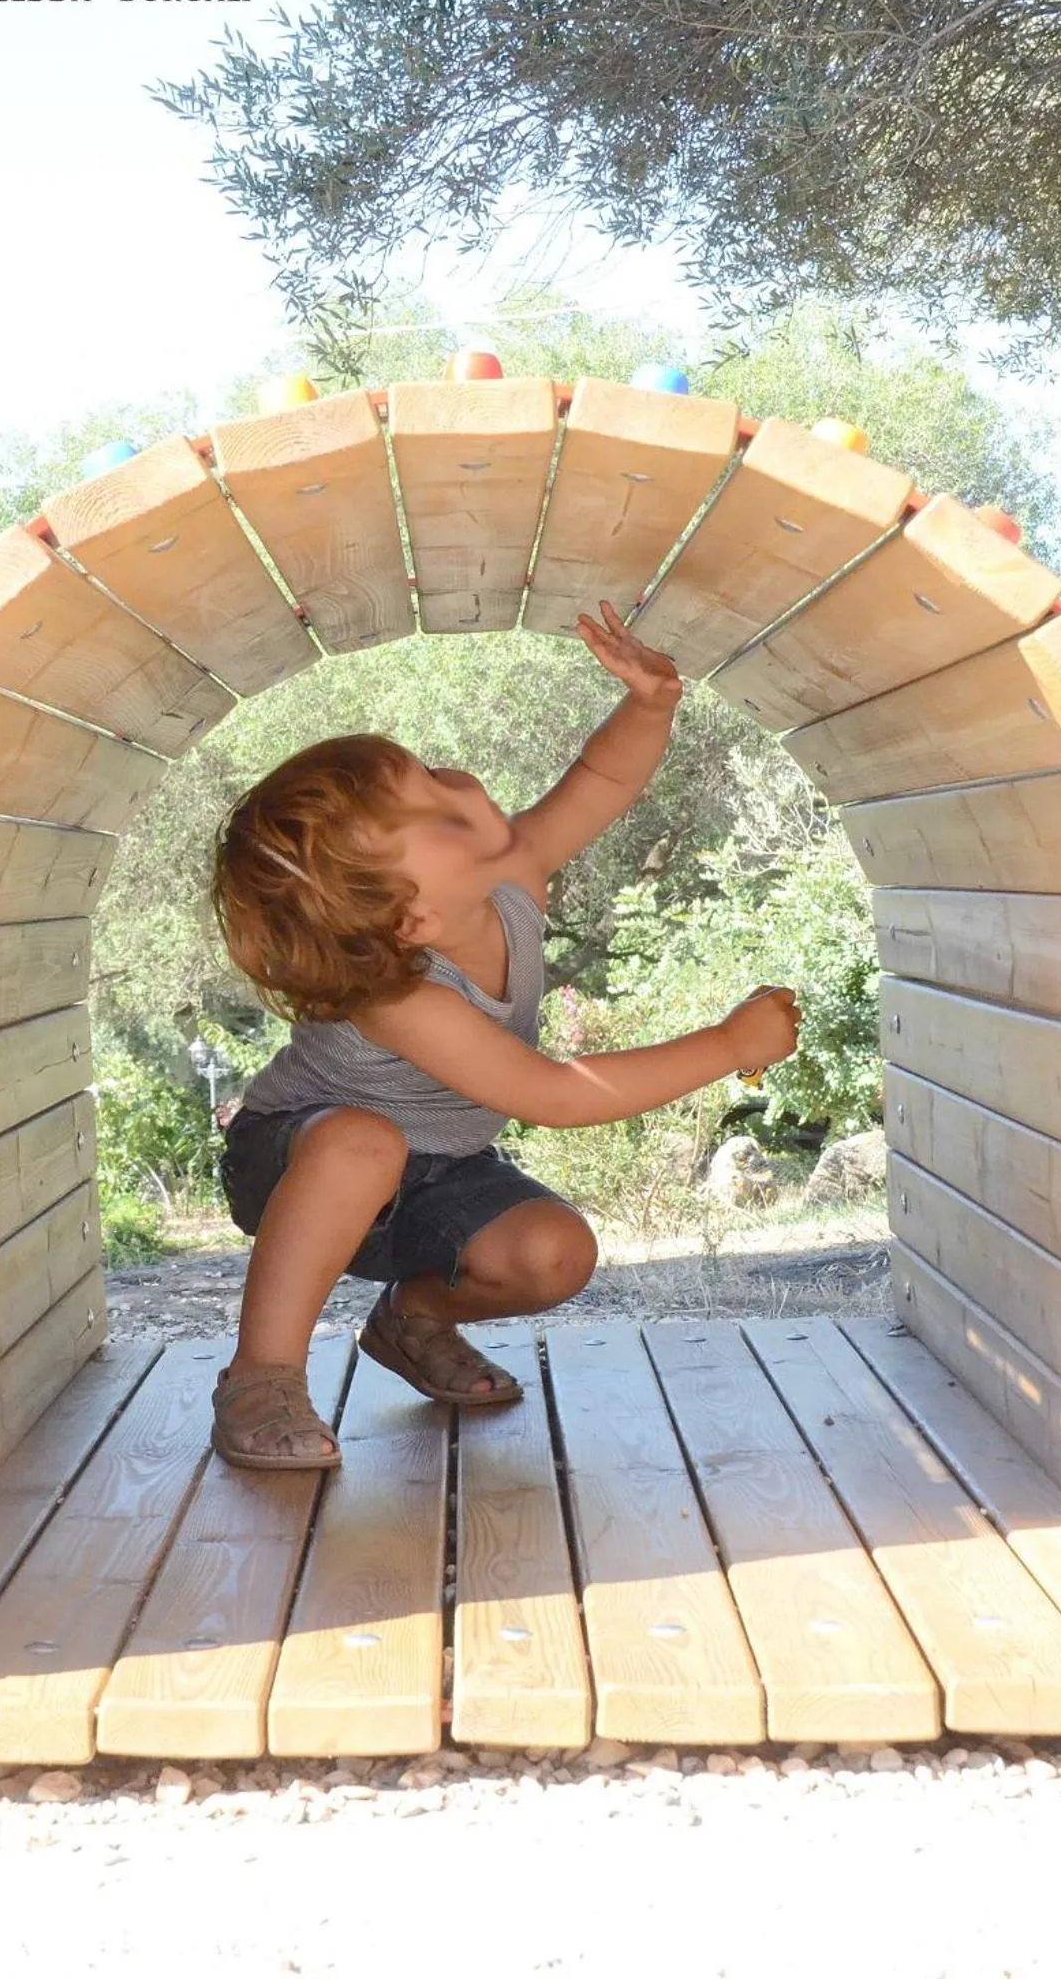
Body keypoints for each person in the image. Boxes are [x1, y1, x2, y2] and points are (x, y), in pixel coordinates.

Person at [207, 601, 802, 1470]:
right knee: (362, 1143)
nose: (455, 779)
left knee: (554, 1255)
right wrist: (726, 1046)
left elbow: (597, 785)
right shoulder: (401, 995)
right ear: (408, 919)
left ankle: (414, 1319)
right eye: (430, 806)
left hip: (438, 1168)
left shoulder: (513, 877)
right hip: (295, 1161)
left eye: (425, 772)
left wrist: (650, 706)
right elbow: (554, 1095)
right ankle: (261, 1378)